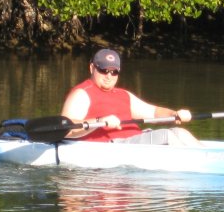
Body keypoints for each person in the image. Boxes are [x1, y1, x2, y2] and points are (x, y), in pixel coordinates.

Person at [60, 48, 199, 145]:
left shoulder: (123, 94)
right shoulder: (82, 93)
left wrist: (174, 114)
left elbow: (153, 112)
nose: (109, 76)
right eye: (103, 70)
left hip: (134, 140)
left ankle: (211, 160)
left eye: (114, 72)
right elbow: (66, 128)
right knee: (166, 136)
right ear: (92, 68)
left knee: (180, 132)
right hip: (113, 145)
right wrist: (100, 120)